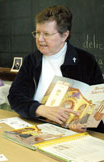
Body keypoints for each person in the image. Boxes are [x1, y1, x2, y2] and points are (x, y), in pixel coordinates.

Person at [8, 5, 104, 133]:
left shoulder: (86, 61)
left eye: (46, 34)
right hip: (37, 127)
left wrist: (82, 122)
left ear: (64, 35)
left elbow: (98, 103)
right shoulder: (31, 60)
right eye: (37, 33)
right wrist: (40, 109)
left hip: (73, 134)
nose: (39, 39)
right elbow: (14, 97)